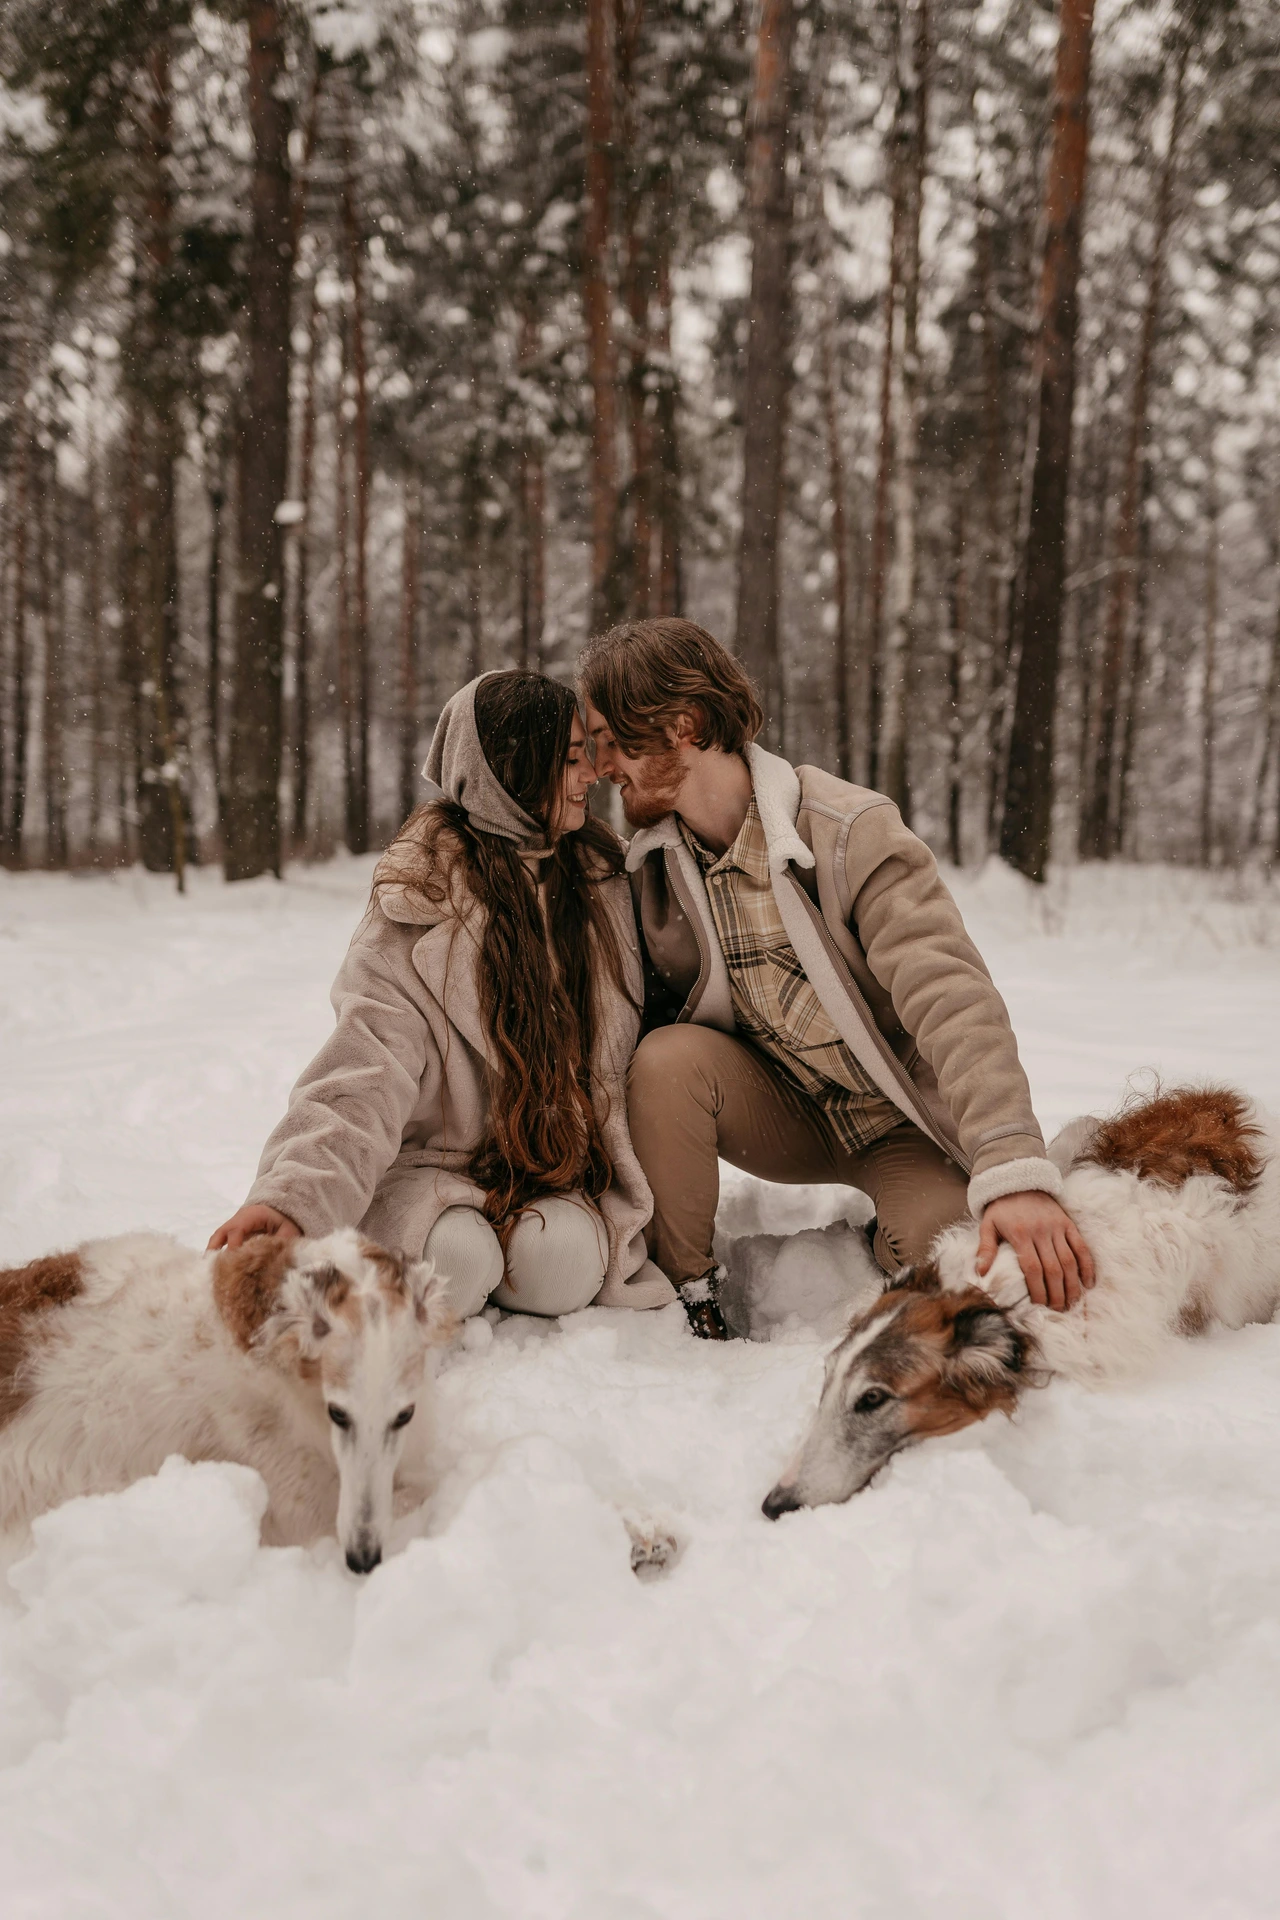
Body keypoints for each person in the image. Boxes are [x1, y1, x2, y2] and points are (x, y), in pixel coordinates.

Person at [580, 618, 1095, 1340]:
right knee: (666, 1061)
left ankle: (881, 1240)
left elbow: (953, 1000)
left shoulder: (850, 831)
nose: (602, 765)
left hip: (896, 1120)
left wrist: (1012, 1167)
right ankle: (688, 1293)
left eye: (611, 739)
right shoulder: (654, 869)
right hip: (782, 1108)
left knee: (950, 1259)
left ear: (683, 725)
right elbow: (622, 1032)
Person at [209, 671, 674, 1323]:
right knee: (454, 1264)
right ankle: (460, 1256)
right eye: (569, 760)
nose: (591, 773)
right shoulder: (416, 903)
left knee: (563, 1266)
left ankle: (511, 1256)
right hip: (439, 1169)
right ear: (513, 774)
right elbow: (364, 1071)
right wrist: (294, 1200)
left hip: (557, 1168)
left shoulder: (611, 883)